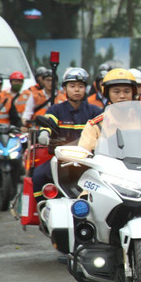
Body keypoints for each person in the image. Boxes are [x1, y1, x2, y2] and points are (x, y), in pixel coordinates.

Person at [32, 68, 102, 201]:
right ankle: (42, 207)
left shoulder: (95, 111)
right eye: (72, 86)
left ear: (85, 89)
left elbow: (105, 130)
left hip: (89, 160)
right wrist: (44, 134)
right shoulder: (56, 109)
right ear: (64, 89)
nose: (77, 90)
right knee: (38, 175)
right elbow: (48, 124)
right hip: (61, 159)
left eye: (81, 86)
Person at [78, 69, 139, 152]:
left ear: (133, 93)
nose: (122, 96)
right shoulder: (95, 126)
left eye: (127, 91)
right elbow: (83, 155)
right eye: (116, 92)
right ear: (108, 94)